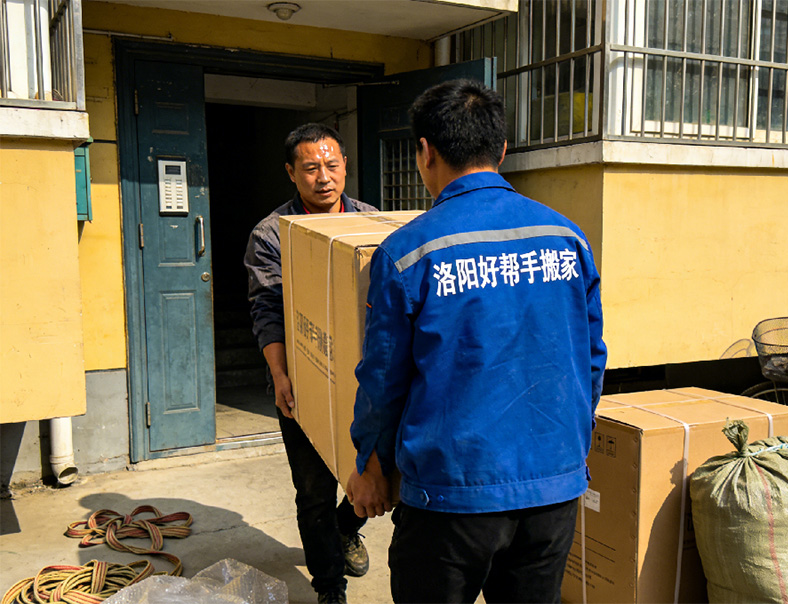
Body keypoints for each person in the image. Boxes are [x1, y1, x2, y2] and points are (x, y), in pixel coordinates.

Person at [346, 80, 607, 604]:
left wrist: (369, 464)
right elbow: (591, 358)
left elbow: (383, 377)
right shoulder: (568, 239)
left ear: (425, 152)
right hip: (552, 489)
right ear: (502, 149)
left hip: (451, 496)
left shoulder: (408, 252)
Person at [244, 123, 376, 604]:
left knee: (376, 472)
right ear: (291, 173)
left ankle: (346, 527)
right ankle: (329, 586)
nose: (324, 177)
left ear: (345, 166)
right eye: (311, 168)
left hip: (366, 381)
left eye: (332, 165)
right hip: (302, 378)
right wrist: (280, 375)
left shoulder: (369, 222)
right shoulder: (272, 234)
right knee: (314, 489)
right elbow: (267, 311)